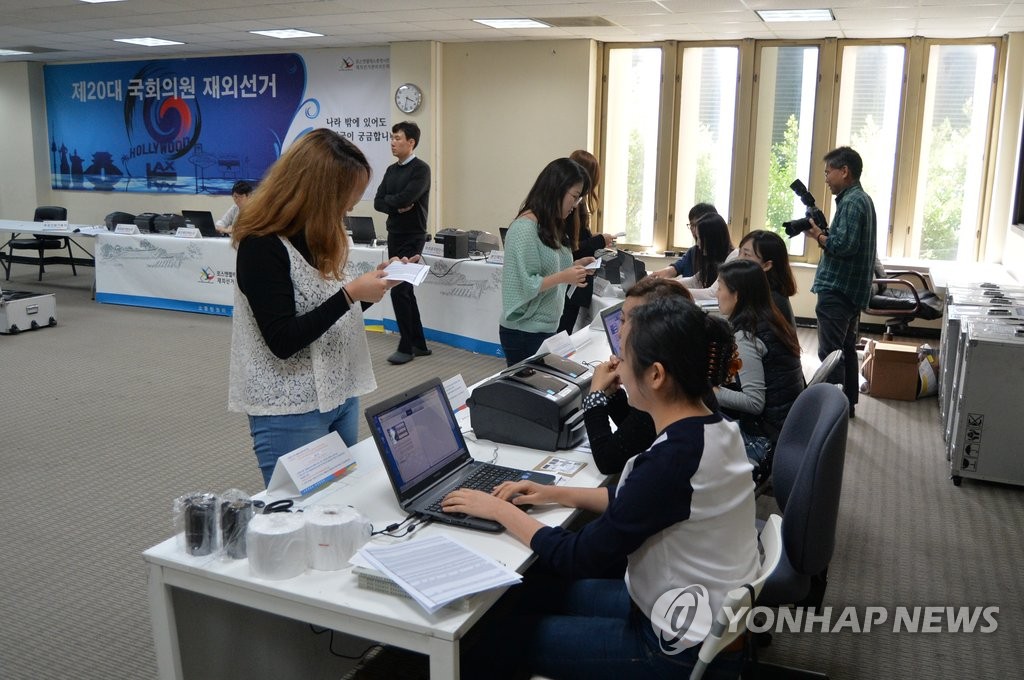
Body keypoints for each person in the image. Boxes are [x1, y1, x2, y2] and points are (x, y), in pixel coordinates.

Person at [443, 296, 758, 680]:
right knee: (528, 590)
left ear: (656, 375)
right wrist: (555, 493)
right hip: (695, 617)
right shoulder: (716, 428)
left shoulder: (672, 460)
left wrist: (499, 510)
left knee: (492, 639)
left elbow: (577, 556)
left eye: (623, 358)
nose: (617, 368)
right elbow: (643, 503)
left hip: (671, 650)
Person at [228, 129, 399, 486]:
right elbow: (283, 340)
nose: (351, 207)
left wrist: (369, 290)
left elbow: (326, 315)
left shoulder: (319, 234)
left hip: (339, 394)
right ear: (319, 192)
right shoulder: (261, 245)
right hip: (289, 406)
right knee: (303, 511)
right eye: (346, 197)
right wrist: (350, 294)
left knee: (342, 499)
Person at [583, 277, 693, 475]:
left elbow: (609, 461)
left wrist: (595, 396)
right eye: (621, 319)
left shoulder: (667, 391)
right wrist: (613, 393)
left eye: (626, 321)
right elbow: (636, 433)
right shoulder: (679, 371)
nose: (619, 332)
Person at [500, 158, 596, 366]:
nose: (576, 205)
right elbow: (526, 284)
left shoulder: (552, 225)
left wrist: (576, 266)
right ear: (557, 189)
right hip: (524, 331)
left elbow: (550, 269)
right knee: (531, 387)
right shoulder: (524, 229)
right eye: (575, 197)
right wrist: (564, 276)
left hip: (547, 327)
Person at [714, 259, 804, 473]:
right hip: (786, 424)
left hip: (764, 437)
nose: (716, 294)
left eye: (720, 288)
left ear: (737, 295)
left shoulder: (746, 337)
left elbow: (754, 402)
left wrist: (708, 391)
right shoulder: (771, 319)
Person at [805, 146, 877, 417]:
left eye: (828, 172)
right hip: (851, 290)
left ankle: (832, 412)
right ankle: (847, 407)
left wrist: (818, 236)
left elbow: (845, 246)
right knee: (845, 348)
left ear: (844, 171)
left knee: (831, 353)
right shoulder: (862, 200)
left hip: (838, 288)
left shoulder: (851, 202)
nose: (826, 178)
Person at [374, 120, 431, 365]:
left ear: (411, 142)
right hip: (395, 234)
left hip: (413, 235)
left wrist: (394, 202)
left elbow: (408, 197)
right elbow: (378, 201)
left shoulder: (421, 170)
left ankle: (406, 347)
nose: (393, 142)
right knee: (405, 290)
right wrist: (396, 207)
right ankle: (419, 344)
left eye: (397, 138)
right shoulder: (391, 170)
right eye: (392, 137)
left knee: (400, 289)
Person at [556, 150, 615, 335]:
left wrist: (594, 239)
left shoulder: (576, 205)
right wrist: (599, 240)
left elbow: (575, 244)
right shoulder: (571, 208)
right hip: (571, 283)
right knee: (562, 333)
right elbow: (572, 248)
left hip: (575, 280)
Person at [653, 213, 735, 300]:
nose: (698, 244)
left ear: (712, 239)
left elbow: (713, 293)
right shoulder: (713, 259)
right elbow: (694, 281)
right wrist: (664, 283)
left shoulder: (733, 258)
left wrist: (674, 290)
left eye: (699, 238)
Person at [737, 229, 798, 327]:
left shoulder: (770, 301)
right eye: (739, 252)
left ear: (767, 265)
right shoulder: (758, 290)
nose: (738, 259)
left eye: (746, 255)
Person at [650, 202, 719, 279]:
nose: (694, 230)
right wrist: (658, 275)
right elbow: (676, 268)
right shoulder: (692, 252)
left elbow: (698, 284)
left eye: (697, 225)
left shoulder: (724, 258)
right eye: (691, 225)